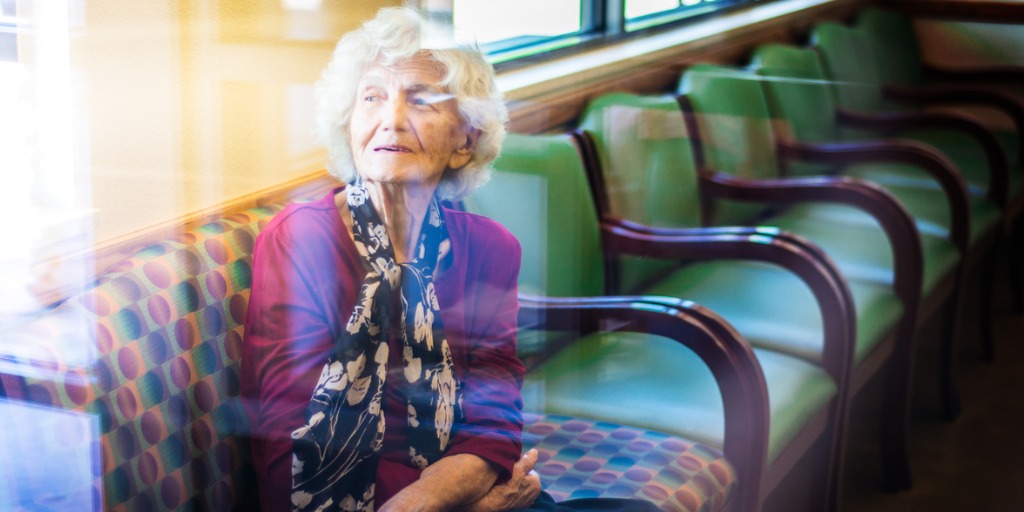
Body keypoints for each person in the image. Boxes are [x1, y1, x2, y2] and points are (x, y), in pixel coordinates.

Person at [241, 7, 660, 512]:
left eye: (421, 101)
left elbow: (496, 417)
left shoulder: (489, 249)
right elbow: (290, 454)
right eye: (371, 96)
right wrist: (471, 505)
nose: (391, 119)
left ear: (466, 141)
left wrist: (446, 493)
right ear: (350, 123)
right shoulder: (302, 241)